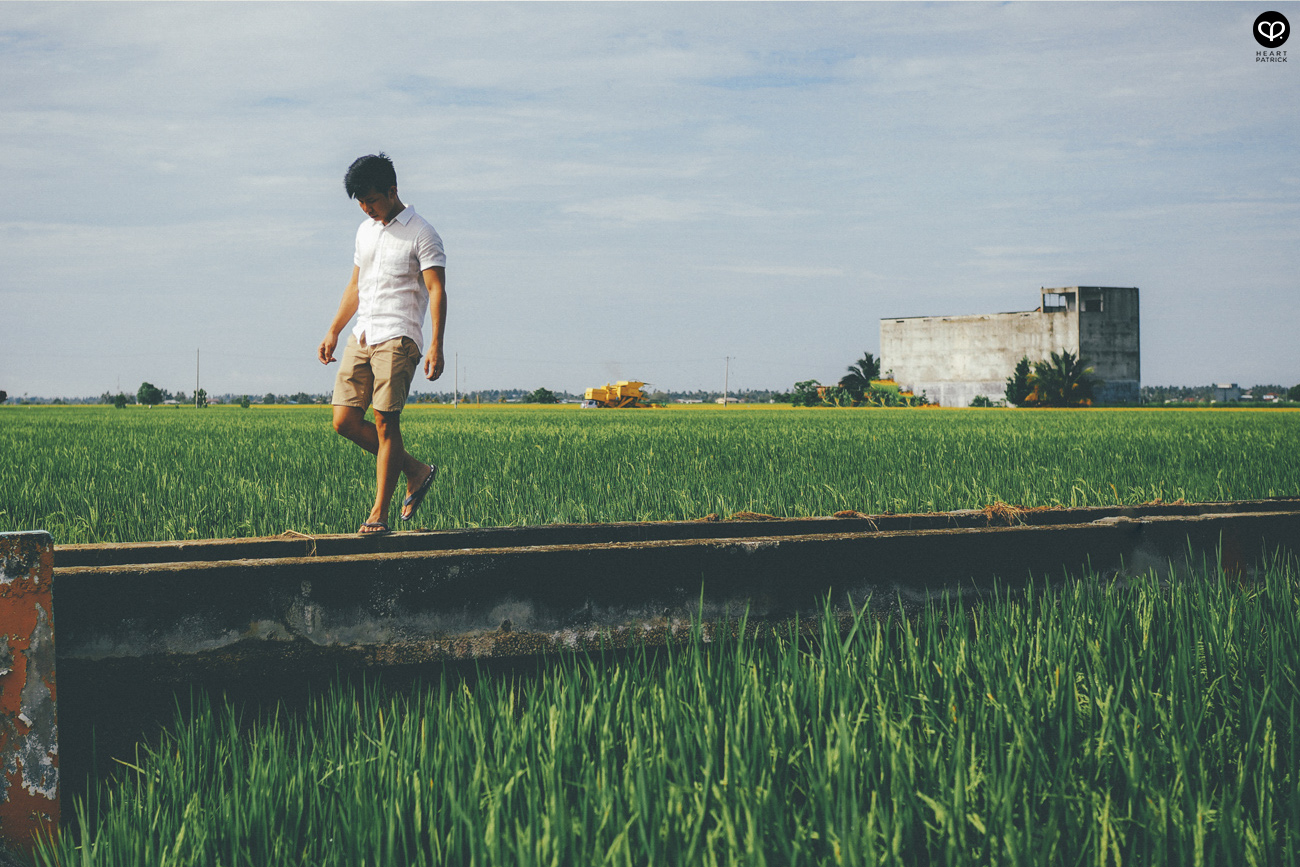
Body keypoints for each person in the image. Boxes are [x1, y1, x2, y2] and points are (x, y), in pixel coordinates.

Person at [318, 153, 447, 535]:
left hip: (399, 334)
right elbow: (355, 285)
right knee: (343, 420)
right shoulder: (365, 231)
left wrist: (436, 344)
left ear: (392, 191)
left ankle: (378, 514)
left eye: (372, 200)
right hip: (363, 333)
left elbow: (436, 290)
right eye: (361, 203)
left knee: (385, 421)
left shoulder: (422, 233)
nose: (367, 208)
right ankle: (415, 469)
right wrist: (334, 330)